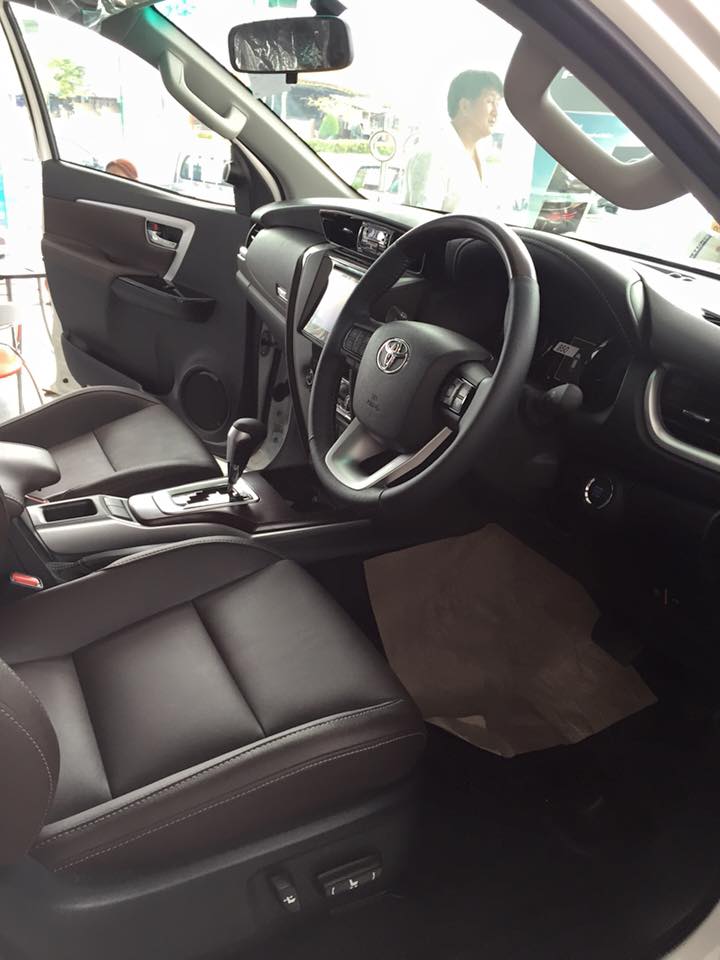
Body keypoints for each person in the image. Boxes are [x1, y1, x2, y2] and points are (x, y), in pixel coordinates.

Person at [404, 70, 503, 214]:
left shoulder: (480, 155)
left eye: (498, 103)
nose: (496, 111)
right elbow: (423, 225)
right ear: (464, 106)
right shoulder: (433, 155)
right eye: (489, 101)